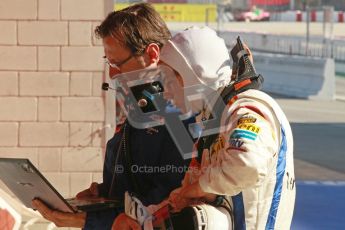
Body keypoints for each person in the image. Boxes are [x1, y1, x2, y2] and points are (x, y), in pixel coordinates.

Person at [32, 3, 194, 229]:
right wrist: (102, 196)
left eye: (118, 63)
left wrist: (88, 220)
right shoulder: (142, 108)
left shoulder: (181, 117)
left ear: (152, 54)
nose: (112, 74)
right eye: (108, 62)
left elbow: (167, 206)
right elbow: (137, 184)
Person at [156, 26, 296, 229]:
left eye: (169, 81)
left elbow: (248, 163)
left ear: (194, 75)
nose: (166, 93)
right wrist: (157, 213)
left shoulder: (246, 107)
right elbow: (192, 188)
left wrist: (201, 188)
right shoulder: (216, 120)